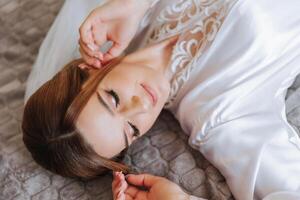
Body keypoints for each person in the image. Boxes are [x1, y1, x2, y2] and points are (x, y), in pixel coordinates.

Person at [21, 0, 300, 199]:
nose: (141, 106)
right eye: (132, 130)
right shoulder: (219, 116)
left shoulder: (123, 17)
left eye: (114, 99)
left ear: (89, 69)